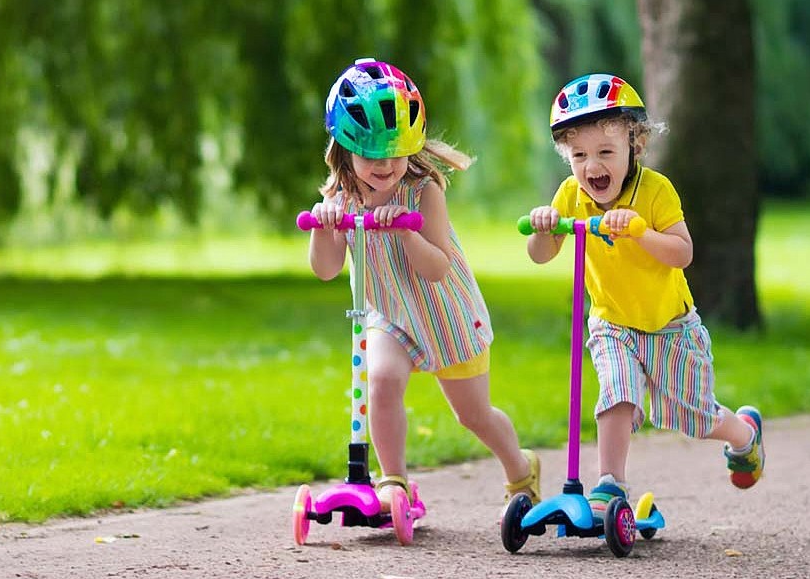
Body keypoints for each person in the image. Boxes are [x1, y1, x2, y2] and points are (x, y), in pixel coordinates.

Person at [524, 73, 764, 520]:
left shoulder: (655, 191)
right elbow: (542, 254)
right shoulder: (570, 196)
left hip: (670, 326)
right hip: (613, 322)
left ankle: (743, 434)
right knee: (618, 393)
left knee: (691, 415)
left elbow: (683, 252)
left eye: (605, 152)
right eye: (579, 155)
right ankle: (610, 485)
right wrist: (544, 226)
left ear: (635, 145)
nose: (592, 166)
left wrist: (640, 231)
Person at [306, 57, 539, 510]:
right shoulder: (340, 195)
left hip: (445, 315)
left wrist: (406, 232)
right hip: (390, 314)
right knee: (381, 380)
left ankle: (520, 467)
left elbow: (437, 268)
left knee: (474, 416)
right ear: (344, 147)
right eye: (371, 154)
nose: (385, 164)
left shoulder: (423, 191)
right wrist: (323, 225)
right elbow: (326, 268)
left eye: (395, 152)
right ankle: (394, 481)